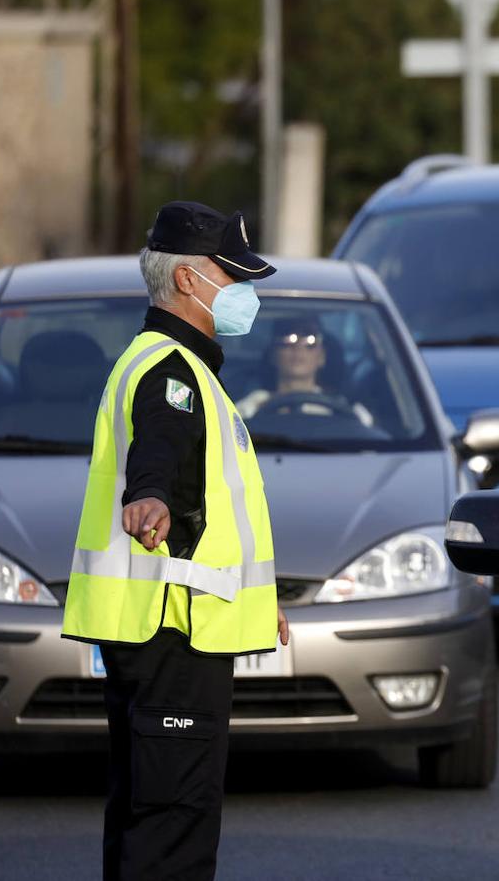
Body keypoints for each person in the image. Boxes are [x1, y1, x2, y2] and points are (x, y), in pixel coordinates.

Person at [61, 201, 290, 881]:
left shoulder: (175, 364)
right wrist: (147, 495)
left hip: (165, 633)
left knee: (146, 808)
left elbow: (207, 514)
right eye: (235, 277)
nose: (246, 294)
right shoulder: (171, 373)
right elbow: (158, 449)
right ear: (190, 281)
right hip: (174, 635)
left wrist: (260, 601)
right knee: (172, 826)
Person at [237, 316, 373, 426]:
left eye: (310, 340)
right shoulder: (251, 409)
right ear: (273, 355)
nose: (298, 347)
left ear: (322, 357)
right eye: (287, 339)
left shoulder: (345, 411)